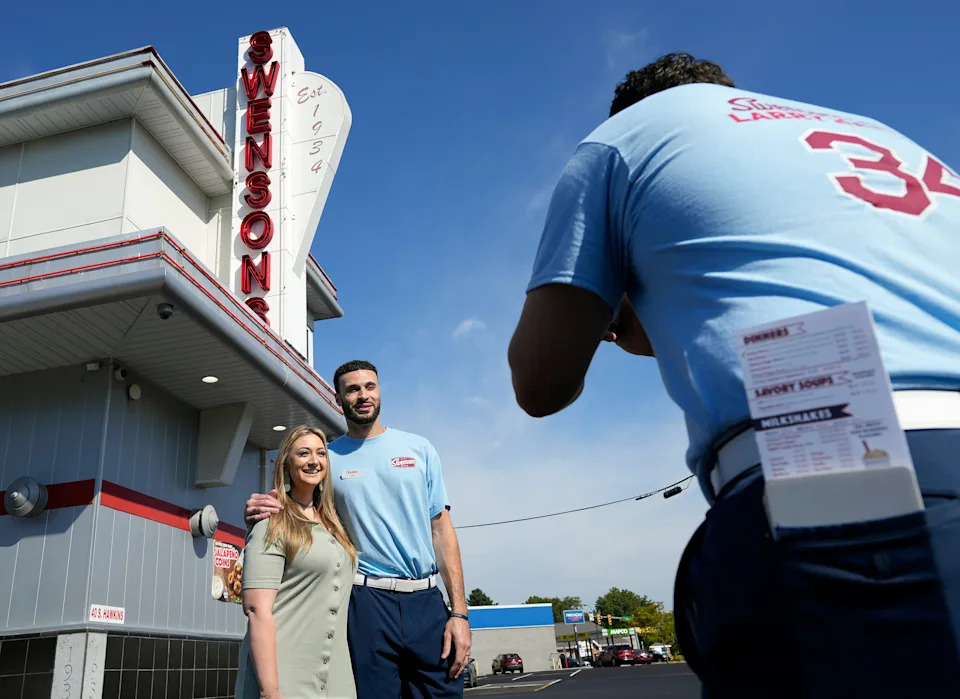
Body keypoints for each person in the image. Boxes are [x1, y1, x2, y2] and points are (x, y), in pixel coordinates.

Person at [508, 52, 960, 697]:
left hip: (847, 452)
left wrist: (620, 308)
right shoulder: (872, 131)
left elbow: (541, 383)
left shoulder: (624, 139)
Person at [246, 360, 471, 698]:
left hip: (425, 602)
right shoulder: (327, 458)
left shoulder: (419, 449)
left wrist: (460, 613)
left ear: (379, 391)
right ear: (339, 399)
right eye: (352, 389)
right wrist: (258, 508)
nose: (362, 395)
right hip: (366, 604)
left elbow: (441, 530)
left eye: (369, 387)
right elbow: (294, 503)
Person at [236, 426, 357, 699]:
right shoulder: (271, 521)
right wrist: (271, 692)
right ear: (286, 463)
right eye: (303, 453)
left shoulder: (335, 526)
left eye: (321, 453)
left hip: (335, 679)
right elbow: (257, 610)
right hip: (284, 677)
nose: (314, 460)